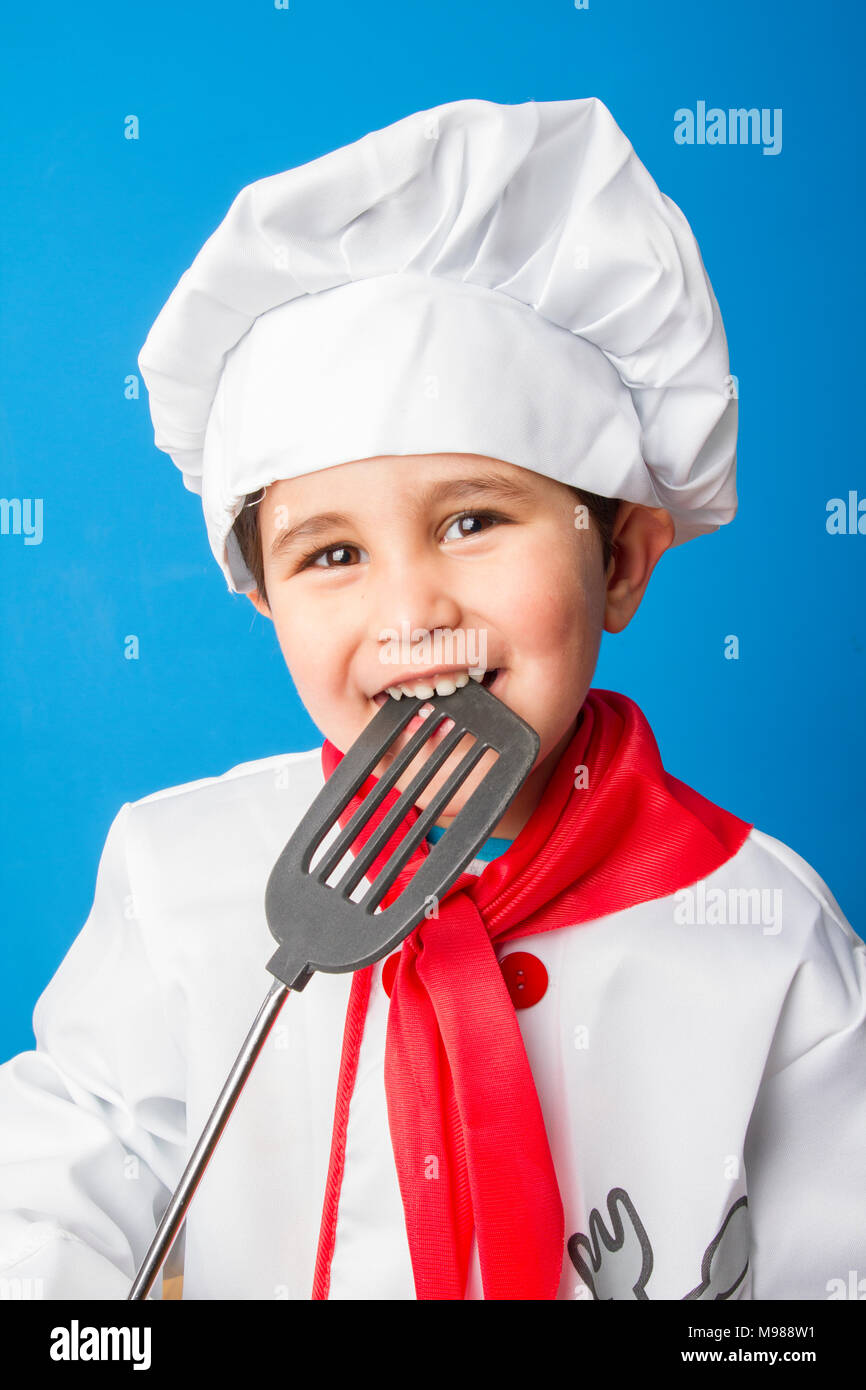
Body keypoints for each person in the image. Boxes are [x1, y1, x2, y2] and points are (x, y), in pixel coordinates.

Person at [0, 96, 863, 1302]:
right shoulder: (178, 874)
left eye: (473, 521)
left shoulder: (766, 932)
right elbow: (57, 1179)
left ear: (617, 561)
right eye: (330, 555)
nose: (411, 614)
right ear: (266, 603)